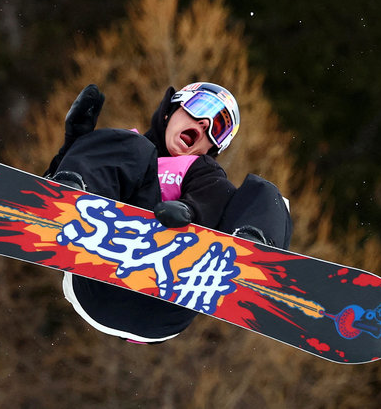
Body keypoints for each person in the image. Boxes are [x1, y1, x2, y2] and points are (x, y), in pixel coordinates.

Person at [45, 82, 291, 343]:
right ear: (169, 112)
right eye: (201, 107)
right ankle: (73, 189)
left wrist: (190, 212)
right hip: (98, 278)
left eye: (219, 129)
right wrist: (74, 147)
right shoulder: (127, 149)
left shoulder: (203, 171)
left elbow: (212, 198)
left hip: (168, 303)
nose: (206, 123)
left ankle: (251, 251)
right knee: (132, 145)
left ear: (214, 147)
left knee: (267, 194)